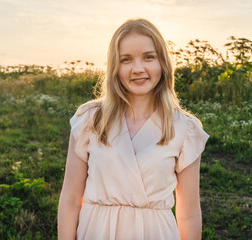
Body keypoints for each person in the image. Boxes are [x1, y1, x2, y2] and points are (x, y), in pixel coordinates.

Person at [58, 18, 209, 240]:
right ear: (114, 67)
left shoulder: (184, 129)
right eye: (126, 60)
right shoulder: (91, 119)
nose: (138, 69)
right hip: (96, 232)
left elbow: (189, 214)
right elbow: (70, 200)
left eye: (149, 57)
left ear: (163, 63)